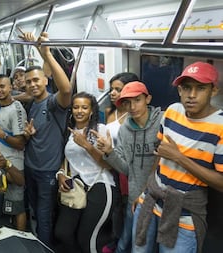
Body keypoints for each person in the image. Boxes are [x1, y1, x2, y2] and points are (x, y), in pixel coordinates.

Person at [131, 62, 223, 253]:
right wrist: (144, 191)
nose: (192, 95)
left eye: (200, 88)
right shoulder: (172, 111)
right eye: (187, 88)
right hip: (151, 200)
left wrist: (179, 158)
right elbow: (161, 154)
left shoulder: (220, 125)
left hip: (184, 214)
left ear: (213, 91)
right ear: (179, 90)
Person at [94, 81, 163, 253]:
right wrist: (109, 152)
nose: (132, 106)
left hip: (163, 199)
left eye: (137, 100)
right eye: (127, 103)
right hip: (136, 198)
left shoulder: (163, 121)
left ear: (148, 99)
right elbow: (126, 169)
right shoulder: (125, 130)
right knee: (131, 242)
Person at [19, 31, 72, 247]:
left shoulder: (53, 103)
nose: (32, 85)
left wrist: (47, 53)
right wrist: (26, 135)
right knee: (34, 210)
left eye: (36, 80)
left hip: (48, 172)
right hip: (30, 166)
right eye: (28, 82)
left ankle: (44, 249)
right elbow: (25, 94)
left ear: (45, 80)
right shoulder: (32, 103)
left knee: (44, 217)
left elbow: (66, 89)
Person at [54, 92, 119, 253]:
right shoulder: (69, 131)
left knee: (88, 238)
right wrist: (61, 173)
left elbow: (109, 164)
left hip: (102, 185)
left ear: (91, 111)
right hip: (78, 186)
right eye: (76, 107)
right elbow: (68, 158)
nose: (79, 111)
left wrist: (87, 145)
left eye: (84, 107)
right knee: (63, 232)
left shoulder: (100, 130)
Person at [0, 74, 27, 230]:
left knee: (17, 207)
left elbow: (21, 144)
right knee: (6, 206)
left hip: (13, 164)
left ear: (10, 88)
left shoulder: (16, 108)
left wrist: (3, 135)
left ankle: (21, 238)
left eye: (2, 86)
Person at [103, 72, 139, 253]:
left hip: (130, 168)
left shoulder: (137, 114)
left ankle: (129, 244)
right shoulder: (110, 112)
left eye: (118, 89)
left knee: (130, 209)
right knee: (117, 208)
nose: (113, 93)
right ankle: (116, 239)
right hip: (111, 165)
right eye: (112, 89)